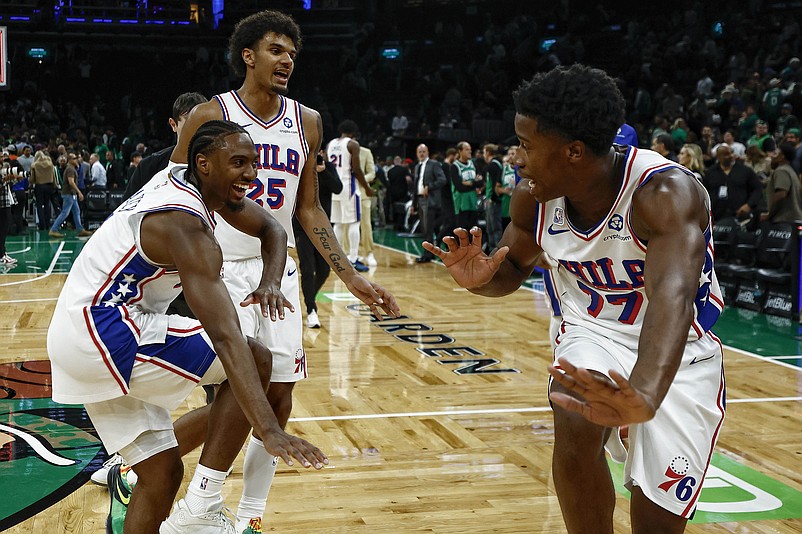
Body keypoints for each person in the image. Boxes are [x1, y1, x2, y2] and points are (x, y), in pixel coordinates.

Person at [424, 64, 725, 533]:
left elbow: (672, 301)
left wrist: (644, 395)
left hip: (677, 347)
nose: (515, 159)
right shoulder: (533, 198)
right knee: (570, 404)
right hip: (593, 331)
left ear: (574, 152)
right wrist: (481, 279)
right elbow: (515, 268)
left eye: (525, 145)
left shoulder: (664, 194)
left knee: (657, 520)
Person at [167, 11, 400, 532]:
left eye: (292, 53)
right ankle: (191, 498)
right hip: (218, 270)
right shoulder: (210, 114)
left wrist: (350, 276)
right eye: (276, 50)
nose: (287, 60)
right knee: (236, 389)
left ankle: (248, 517)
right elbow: (172, 194)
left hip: (281, 270)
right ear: (247, 56)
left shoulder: (308, 121)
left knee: (278, 394)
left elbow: (310, 209)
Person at [48, 120, 329, 534]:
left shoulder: (186, 180)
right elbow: (226, 336)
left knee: (161, 474)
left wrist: (270, 281)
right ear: (204, 163)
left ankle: (195, 504)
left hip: (77, 333)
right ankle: (202, 506)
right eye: (238, 163)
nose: (250, 174)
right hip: (106, 330)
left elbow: (272, 228)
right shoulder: (184, 224)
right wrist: (268, 428)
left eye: (253, 163)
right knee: (254, 357)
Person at [122, 92, 209, 201]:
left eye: (202, 122)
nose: (197, 128)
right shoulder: (149, 167)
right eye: (190, 121)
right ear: (173, 125)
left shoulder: (220, 167)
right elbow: (127, 211)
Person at [293, 150, 342, 328]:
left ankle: (309, 298)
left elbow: (338, 188)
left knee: (324, 270)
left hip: (323, 228)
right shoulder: (300, 168)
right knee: (307, 269)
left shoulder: (328, 167)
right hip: (302, 226)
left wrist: (324, 172)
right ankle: (311, 309)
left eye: (319, 152)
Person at [327, 119, 371, 272]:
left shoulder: (330, 144)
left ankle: (338, 259)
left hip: (334, 187)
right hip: (349, 188)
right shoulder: (353, 144)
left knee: (338, 224)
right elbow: (357, 170)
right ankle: (352, 259)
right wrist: (367, 188)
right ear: (353, 132)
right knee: (354, 223)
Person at [704, 144, 763, 223]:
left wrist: (749, 205)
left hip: (741, 217)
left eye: (732, 153)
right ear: (718, 157)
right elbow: (704, 193)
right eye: (726, 154)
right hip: (717, 218)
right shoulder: (710, 173)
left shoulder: (745, 171)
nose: (731, 156)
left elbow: (757, 189)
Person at [412, 143, 447, 261]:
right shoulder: (417, 167)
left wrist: (429, 187)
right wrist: (413, 204)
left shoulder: (434, 164)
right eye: (419, 152)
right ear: (417, 154)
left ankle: (427, 255)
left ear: (427, 153)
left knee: (428, 229)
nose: (421, 154)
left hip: (430, 200)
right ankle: (434, 251)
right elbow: (415, 186)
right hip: (420, 199)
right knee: (426, 228)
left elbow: (442, 179)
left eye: (424, 151)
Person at [48, 153, 92, 238]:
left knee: (76, 212)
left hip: (71, 194)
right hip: (69, 194)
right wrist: (79, 192)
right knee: (65, 213)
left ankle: (80, 229)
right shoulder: (70, 169)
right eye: (75, 158)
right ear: (71, 160)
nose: (77, 160)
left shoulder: (71, 168)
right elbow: (71, 182)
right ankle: (53, 229)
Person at [761, 141, 802, 223]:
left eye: (775, 153)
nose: (771, 156)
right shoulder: (791, 170)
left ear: (782, 157)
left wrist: (769, 215)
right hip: (793, 219)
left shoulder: (781, 171)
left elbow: (781, 194)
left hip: (784, 221)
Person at [29, 150, 58, 231]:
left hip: (39, 186)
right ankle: (48, 223)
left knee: (39, 205)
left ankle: (42, 225)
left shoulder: (35, 165)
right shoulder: (50, 163)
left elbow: (32, 178)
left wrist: (30, 183)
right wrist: (55, 184)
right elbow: (54, 175)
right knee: (47, 204)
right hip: (49, 185)